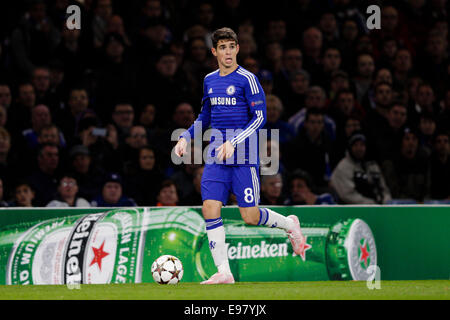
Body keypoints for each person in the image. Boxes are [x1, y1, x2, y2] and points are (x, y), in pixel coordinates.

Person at [174, 28, 306, 285]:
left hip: (244, 155)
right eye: (222, 47)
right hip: (216, 154)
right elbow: (205, 115)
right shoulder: (209, 80)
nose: (227, 52)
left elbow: (260, 118)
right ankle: (224, 272)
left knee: (250, 216)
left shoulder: (248, 79)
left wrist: (234, 141)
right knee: (210, 208)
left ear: (237, 49)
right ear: (214, 51)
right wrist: (186, 136)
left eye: (231, 46)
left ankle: (289, 224)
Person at [330, 132, 391, 204]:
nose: (359, 148)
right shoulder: (343, 167)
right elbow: (348, 195)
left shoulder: (372, 165)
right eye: (355, 145)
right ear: (350, 147)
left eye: (362, 145)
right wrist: (372, 204)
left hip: (378, 208)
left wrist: (386, 202)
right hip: (354, 211)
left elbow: (384, 189)